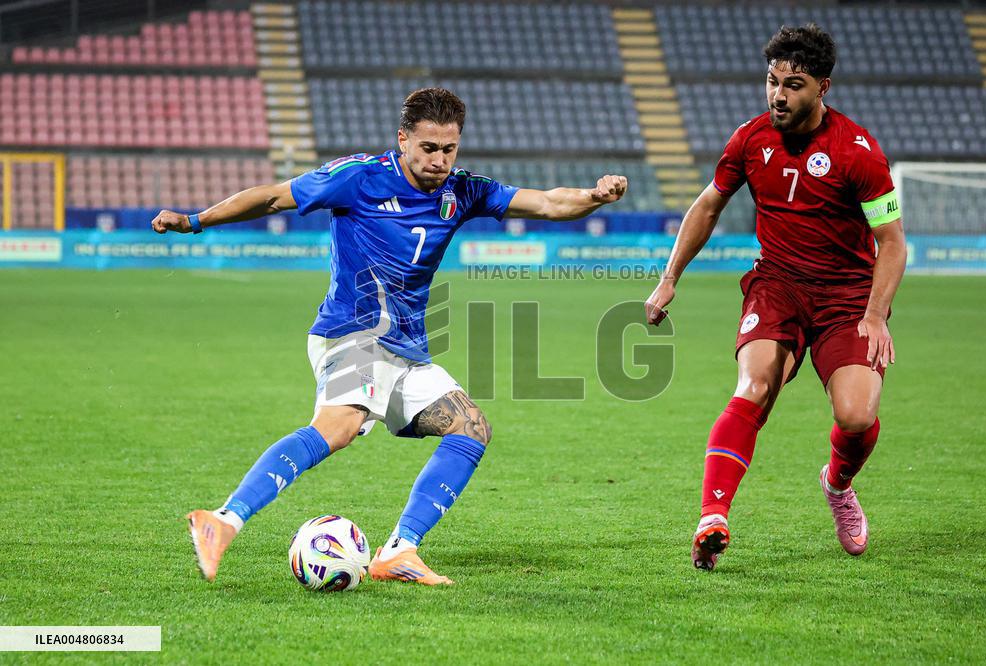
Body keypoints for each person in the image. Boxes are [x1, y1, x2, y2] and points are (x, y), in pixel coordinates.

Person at [152, 87, 628, 585]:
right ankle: (222, 521)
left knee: (470, 427)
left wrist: (593, 197)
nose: (440, 160)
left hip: (405, 349)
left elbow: (549, 203)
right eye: (429, 148)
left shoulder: (463, 191)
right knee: (338, 427)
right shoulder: (359, 177)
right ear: (403, 139)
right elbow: (273, 196)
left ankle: (398, 550)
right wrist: (195, 220)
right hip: (352, 333)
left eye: (449, 149)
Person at [643, 25, 906, 570]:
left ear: (822, 88)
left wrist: (876, 316)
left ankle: (837, 485)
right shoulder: (750, 139)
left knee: (856, 416)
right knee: (754, 384)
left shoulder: (858, 153)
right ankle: (712, 516)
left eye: (794, 84)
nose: (778, 95)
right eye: (772, 81)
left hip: (846, 297)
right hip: (778, 285)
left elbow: (892, 242)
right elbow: (708, 206)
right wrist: (670, 277)